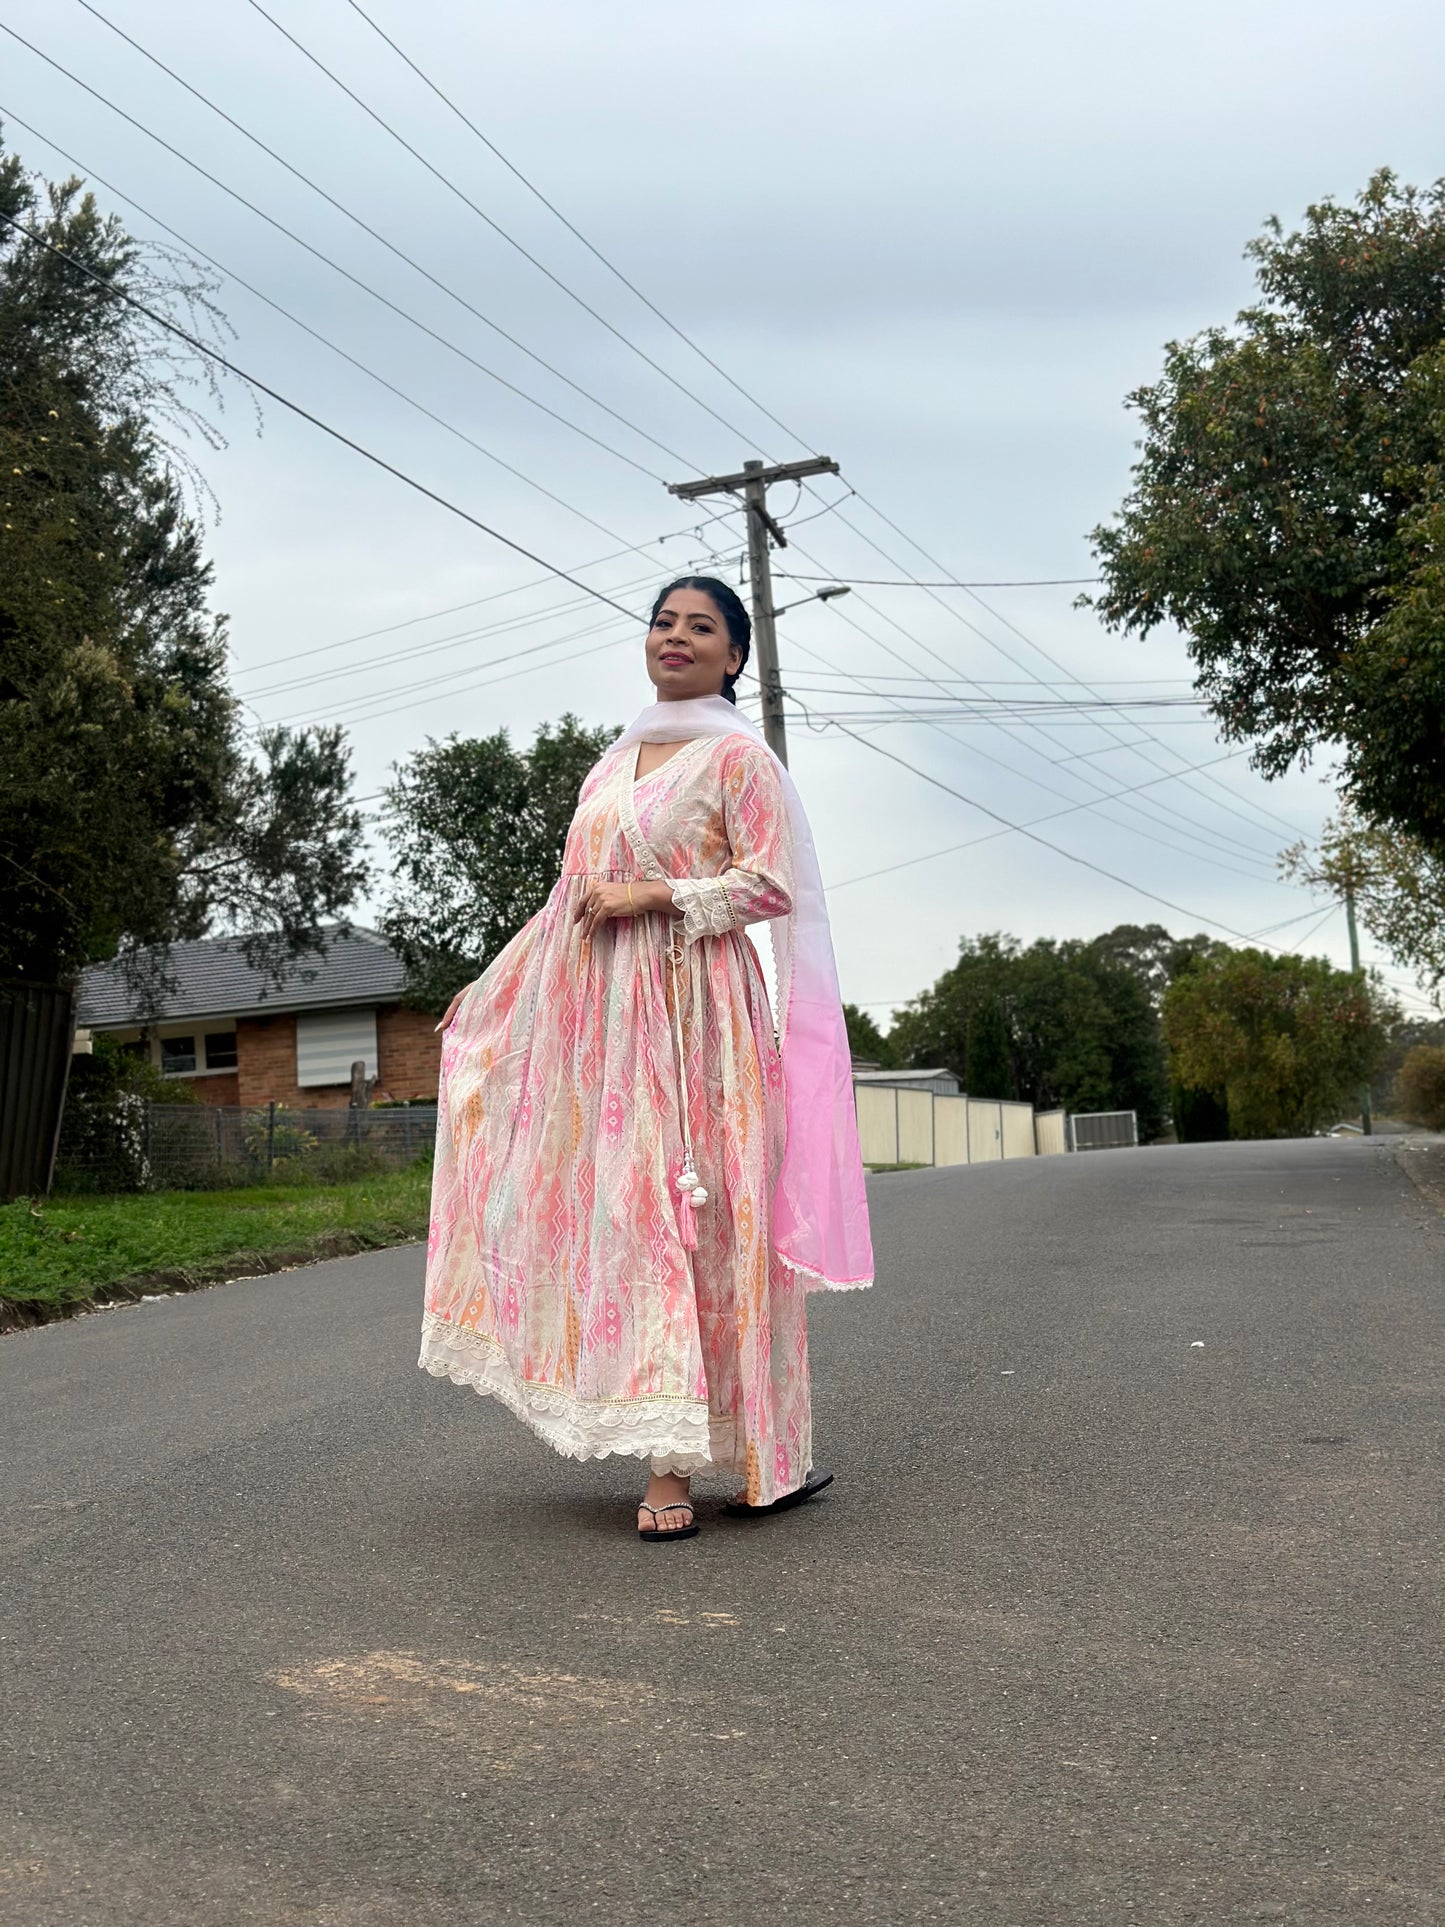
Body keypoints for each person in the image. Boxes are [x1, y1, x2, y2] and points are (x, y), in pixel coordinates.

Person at [421, 576, 873, 1540]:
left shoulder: (737, 760)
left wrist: (659, 895)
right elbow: (569, 897)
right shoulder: (610, 766)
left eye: (700, 626)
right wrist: (489, 987)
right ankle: (671, 1444)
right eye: (663, 622)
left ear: (734, 656)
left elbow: (768, 885)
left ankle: (745, 1461)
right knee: (627, 1222)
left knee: (705, 1223)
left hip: (697, 1018)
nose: (676, 637)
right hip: (606, 1025)